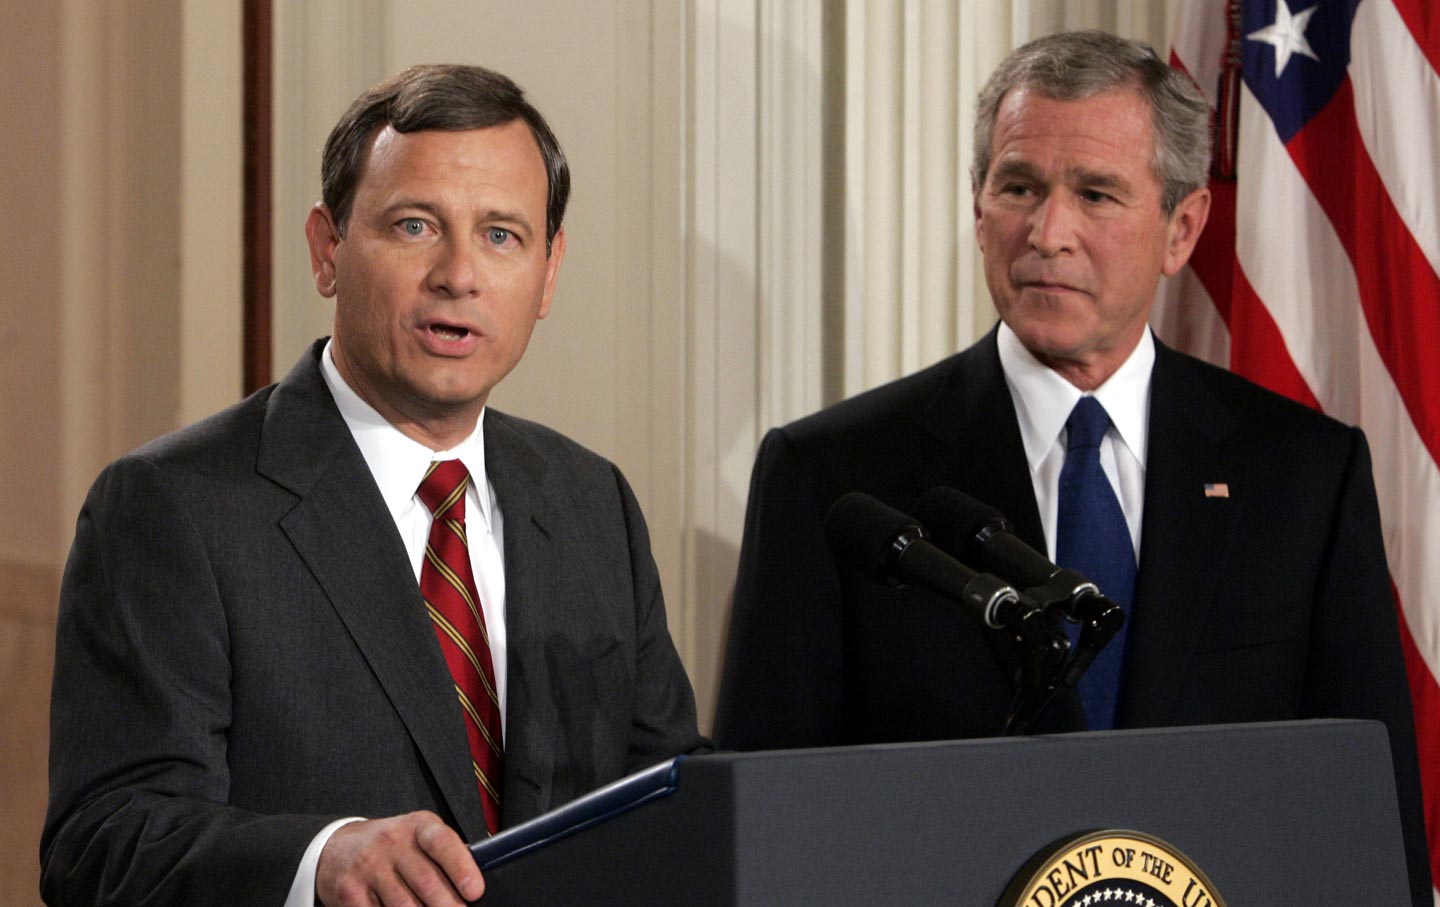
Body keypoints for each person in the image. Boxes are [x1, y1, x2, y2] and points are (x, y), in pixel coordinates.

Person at [714, 30, 1431, 905]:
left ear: (1183, 228)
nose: (1048, 232)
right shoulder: (831, 477)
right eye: (1018, 186)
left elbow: (1366, 819)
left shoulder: (1305, 476)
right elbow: (763, 825)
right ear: (979, 208)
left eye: (1096, 194)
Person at [42, 64, 709, 907]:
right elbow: (102, 842)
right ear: (328, 250)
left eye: (502, 235)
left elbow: (671, 794)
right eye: (416, 225)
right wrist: (318, 860)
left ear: (547, 274)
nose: (459, 274)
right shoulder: (174, 507)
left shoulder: (590, 502)